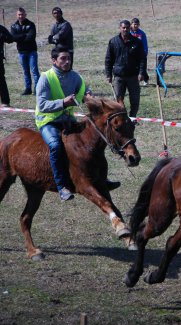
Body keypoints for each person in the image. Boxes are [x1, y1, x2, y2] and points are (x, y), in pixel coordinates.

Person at [35, 47, 91, 201]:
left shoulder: (75, 77)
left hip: (67, 120)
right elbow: (42, 105)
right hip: (48, 121)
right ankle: (62, 187)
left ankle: (98, 177)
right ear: (54, 61)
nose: (67, 61)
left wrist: (90, 97)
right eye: (63, 59)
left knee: (90, 140)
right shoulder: (45, 78)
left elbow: (86, 91)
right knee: (55, 146)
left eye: (68, 58)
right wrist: (63, 103)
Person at [105, 20, 146, 118]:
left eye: (127, 28)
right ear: (120, 28)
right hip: (119, 77)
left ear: (130, 28)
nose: (125, 29)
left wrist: (141, 72)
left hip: (133, 76)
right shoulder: (113, 42)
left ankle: (132, 118)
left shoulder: (137, 42)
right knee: (118, 100)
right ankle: (123, 118)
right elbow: (108, 60)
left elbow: (142, 59)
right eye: (123, 27)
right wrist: (108, 75)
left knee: (135, 100)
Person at [11, 7, 40, 96]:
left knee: (34, 71)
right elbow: (13, 37)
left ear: (25, 15)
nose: (21, 16)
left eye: (22, 14)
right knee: (25, 71)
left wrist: (20, 37)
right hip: (21, 53)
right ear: (17, 15)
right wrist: (24, 36)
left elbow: (31, 37)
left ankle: (37, 89)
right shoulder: (13, 26)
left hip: (32, 52)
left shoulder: (31, 25)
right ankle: (28, 89)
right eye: (19, 14)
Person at [130, 18, 150, 85]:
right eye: (134, 24)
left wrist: (145, 52)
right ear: (131, 24)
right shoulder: (128, 32)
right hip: (131, 53)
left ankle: (146, 79)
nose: (136, 26)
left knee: (142, 68)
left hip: (140, 53)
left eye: (137, 24)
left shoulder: (142, 33)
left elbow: (144, 43)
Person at [0, 25, 14, 107]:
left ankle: (5, 101)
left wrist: (3, 36)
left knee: (1, 80)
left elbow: (10, 39)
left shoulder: (1, 28)